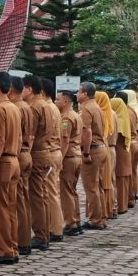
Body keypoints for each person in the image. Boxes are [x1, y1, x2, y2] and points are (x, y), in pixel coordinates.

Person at [0, 71, 21, 265]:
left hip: (4, 161)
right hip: (14, 159)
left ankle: (5, 250)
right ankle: (13, 247)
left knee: (1, 208)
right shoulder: (14, 108)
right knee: (10, 207)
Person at [23, 75, 54, 251]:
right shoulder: (46, 105)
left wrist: (25, 153)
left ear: (29, 90)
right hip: (46, 152)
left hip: (36, 153)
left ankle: (41, 235)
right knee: (42, 195)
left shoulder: (34, 107)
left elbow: (31, 135)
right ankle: (44, 233)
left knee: (36, 197)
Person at [77, 82, 108, 230]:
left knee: (91, 187)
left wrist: (85, 152)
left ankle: (95, 219)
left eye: (78, 92)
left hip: (93, 150)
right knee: (98, 186)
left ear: (85, 94)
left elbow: (87, 131)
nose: (76, 94)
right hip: (101, 148)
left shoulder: (86, 108)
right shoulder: (97, 106)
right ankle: (101, 216)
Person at [10, 76, 34, 256]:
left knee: (17, 201)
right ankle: (24, 240)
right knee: (24, 199)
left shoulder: (16, 108)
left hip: (18, 154)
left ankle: (21, 241)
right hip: (27, 153)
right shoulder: (26, 106)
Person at [40, 78, 64, 242]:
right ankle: (53, 226)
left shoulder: (47, 108)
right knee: (52, 191)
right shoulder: (53, 107)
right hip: (55, 151)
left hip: (50, 151)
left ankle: (55, 229)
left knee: (51, 192)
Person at [56, 90, 82, 236]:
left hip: (69, 157)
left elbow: (65, 140)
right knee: (72, 190)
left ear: (65, 102)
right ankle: (76, 220)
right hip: (76, 155)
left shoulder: (66, 118)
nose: (55, 102)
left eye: (57, 99)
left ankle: (71, 223)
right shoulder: (76, 115)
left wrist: (60, 158)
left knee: (66, 192)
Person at [95, 91, 116, 220]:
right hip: (107, 148)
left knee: (102, 180)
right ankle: (110, 208)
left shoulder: (100, 114)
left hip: (100, 147)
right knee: (109, 179)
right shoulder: (111, 113)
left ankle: (104, 210)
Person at [110, 96, 133, 215]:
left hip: (119, 151)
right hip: (125, 150)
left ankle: (121, 206)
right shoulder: (125, 116)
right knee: (124, 179)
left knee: (119, 179)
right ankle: (125, 203)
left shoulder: (118, 120)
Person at [119, 90, 138, 208]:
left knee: (127, 173)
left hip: (129, 145)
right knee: (133, 171)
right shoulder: (132, 111)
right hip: (135, 142)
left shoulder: (123, 112)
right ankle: (133, 195)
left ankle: (129, 198)